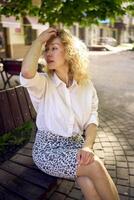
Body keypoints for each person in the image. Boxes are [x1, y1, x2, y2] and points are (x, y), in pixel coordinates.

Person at [20, 27, 120, 200]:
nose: (48, 54)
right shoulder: (42, 83)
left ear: (69, 52)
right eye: (46, 49)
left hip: (75, 145)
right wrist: (38, 41)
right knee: (95, 165)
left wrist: (87, 146)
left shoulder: (86, 85)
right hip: (48, 149)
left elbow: (91, 120)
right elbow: (27, 72)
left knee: (89, 181)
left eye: (54, 48)